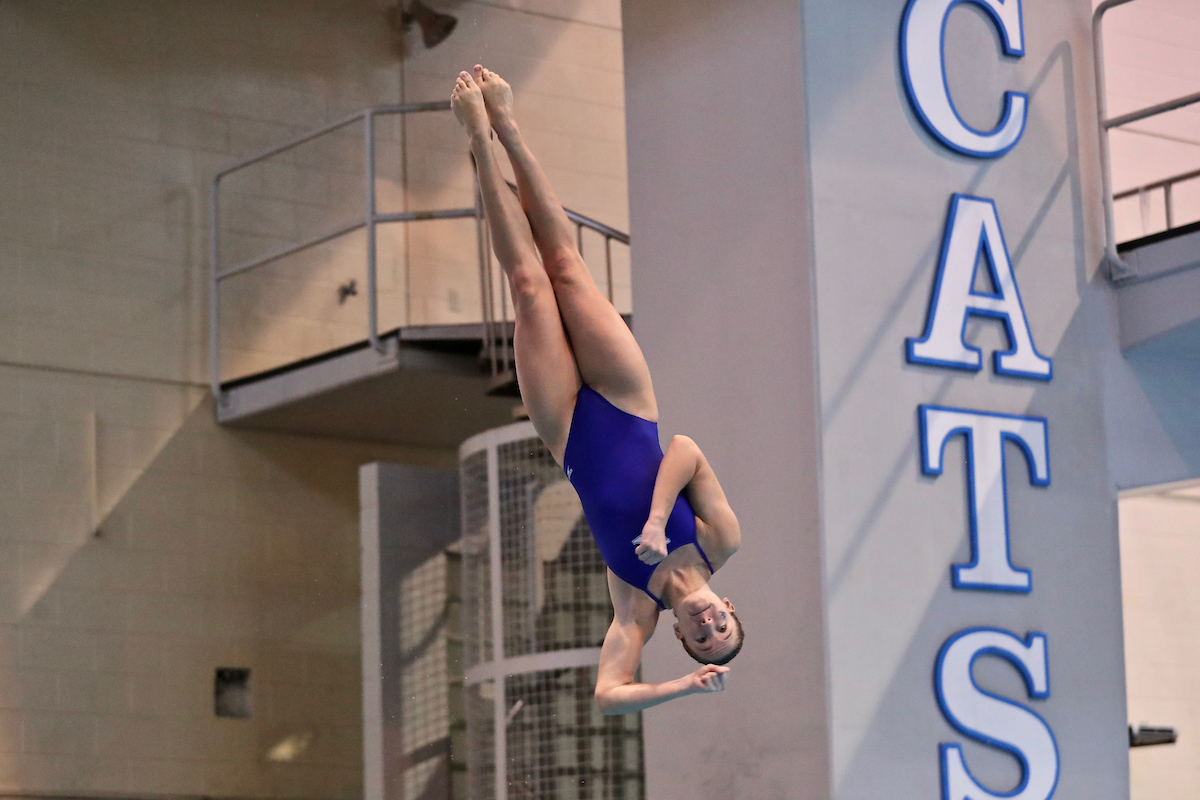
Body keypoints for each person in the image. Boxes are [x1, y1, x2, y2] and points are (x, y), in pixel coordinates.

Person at [451, 66, 743, 715]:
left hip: (567, 430)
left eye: (702, 643)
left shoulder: (634, 605)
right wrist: (656, 522)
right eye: (722, 627)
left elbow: (609, 694)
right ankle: (507, 124)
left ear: (682, 635)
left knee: (528, 287)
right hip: (628, 403)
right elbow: (688, 449)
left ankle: (476, 139)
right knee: (565, 268)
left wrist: (678, 686)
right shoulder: (720, 540)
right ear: (728, 606)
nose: (709, 629)